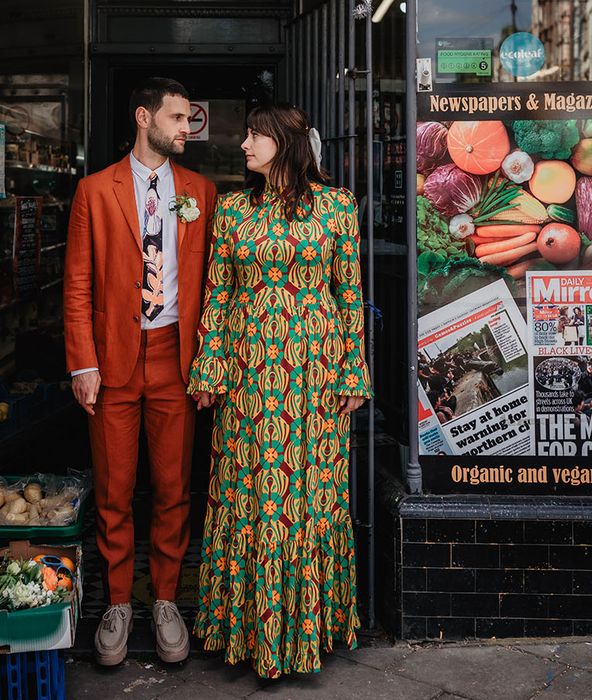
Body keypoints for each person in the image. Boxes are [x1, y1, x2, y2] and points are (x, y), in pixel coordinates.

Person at [188, 103, 372, 678]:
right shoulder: (233, 209)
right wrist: (209, 367)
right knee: (247, 496)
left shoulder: (337, 206)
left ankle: (306, 632)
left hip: (313, 381)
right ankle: (245, 633)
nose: (243, 145)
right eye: (245, 135)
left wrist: (353, 372)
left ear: (285, 143)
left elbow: (349, 296)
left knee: (308, 500)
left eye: (253, 135)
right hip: (246, 380)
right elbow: (218, 295)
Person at [64, 77, 217, 666]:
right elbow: (78, 284)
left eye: (188, 120)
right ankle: (119, 602)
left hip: (178, 361)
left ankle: (168, 601)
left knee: (175, 491)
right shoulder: (94, 191)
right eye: (178, 119)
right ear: (143, 117)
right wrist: (83, 361)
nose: (186, 130)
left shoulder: (199, 190)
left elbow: (212, 285)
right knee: (115, 492)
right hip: (115, 363)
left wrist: (208, 360)